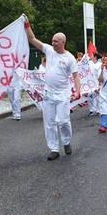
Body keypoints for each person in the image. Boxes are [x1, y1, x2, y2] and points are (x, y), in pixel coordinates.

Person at [24, 16, 81, 161]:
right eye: (52, 40)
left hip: (63, 94)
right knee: (49, 122)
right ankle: (54, 149)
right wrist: (26, 24)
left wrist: (78, 91)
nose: (52, 42)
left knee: (62, 121)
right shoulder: (48, 50)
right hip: (48, 94)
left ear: (62, 42)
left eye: (55, 41)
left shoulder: (70, 58)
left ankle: (66, 142)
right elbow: (32, 39)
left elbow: (75, 76)